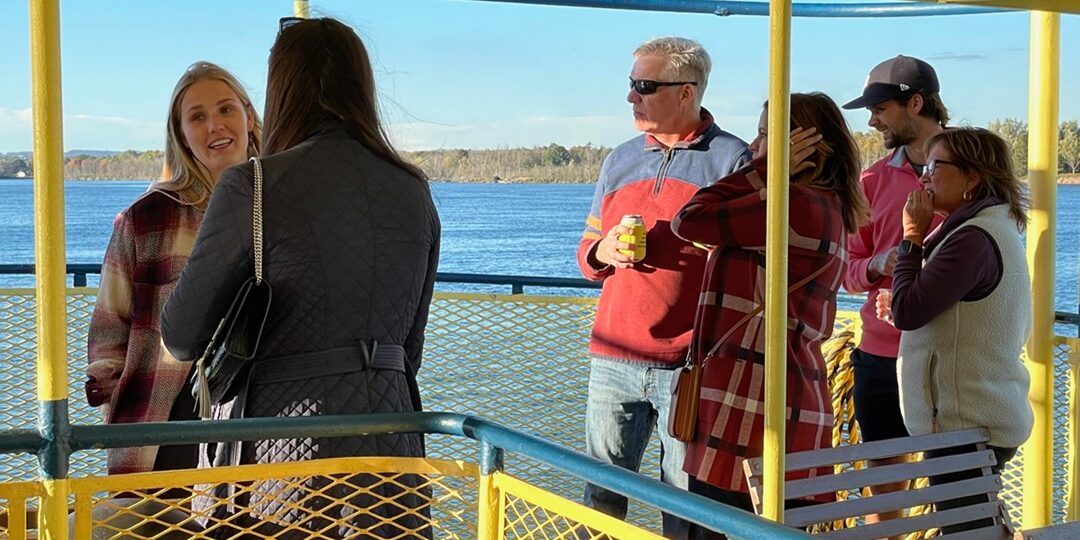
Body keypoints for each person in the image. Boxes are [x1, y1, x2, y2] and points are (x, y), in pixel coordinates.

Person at [161, 17, 439, 539]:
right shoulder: (413, 188)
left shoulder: (254, 184)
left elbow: (180, 335)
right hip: (394, 446)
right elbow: (410, 349)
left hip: (280, 454)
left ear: (280, 88)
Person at [576, 36, 751, 538]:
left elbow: (751, 267)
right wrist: (602, 252)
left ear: (686, 92)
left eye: (643, 86)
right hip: (613, 357)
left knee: (688, 504)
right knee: (599, 500)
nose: (631, 97)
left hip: (691, 365)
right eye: (631, 85)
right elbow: (586, 252)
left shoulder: (733, 162)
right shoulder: (619, 160)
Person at [671, 93, 869, 537]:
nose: (755, 146)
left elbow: (689, 219)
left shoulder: (791, 205)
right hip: (791, 401)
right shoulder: (827, 205)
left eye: (765, 136)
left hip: (749, 408)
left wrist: (764, 172)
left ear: (801, 147)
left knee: (712, 528)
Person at [86, 61, 261, 476]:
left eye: (225, 110)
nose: (215, 125)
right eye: (197, 117)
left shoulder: (280, 207)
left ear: (249, 117)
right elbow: (108, 329)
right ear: (180, 135)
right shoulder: (146, 220)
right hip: (165, 427)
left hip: (259, 420)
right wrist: (120, 411)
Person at [881, 127, 1033, 534]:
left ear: (973, 177)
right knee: (974, 528)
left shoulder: (972, 240)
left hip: (964, 425)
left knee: (970, 532)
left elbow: (910, 310)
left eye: (935, 166)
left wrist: (912, 235)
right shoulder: (987, 230)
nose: (924, 176)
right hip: (974, 417)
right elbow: (942, 308)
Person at [839, 55, 947, 525]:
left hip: (951, 357)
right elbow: (847, 271)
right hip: (881, 357)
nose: (871, 119)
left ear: (916, 103)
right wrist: (877, 265)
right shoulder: (870, 181)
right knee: (884, 495)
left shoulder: (971, 173)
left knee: (959, 486)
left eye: (880, 108)